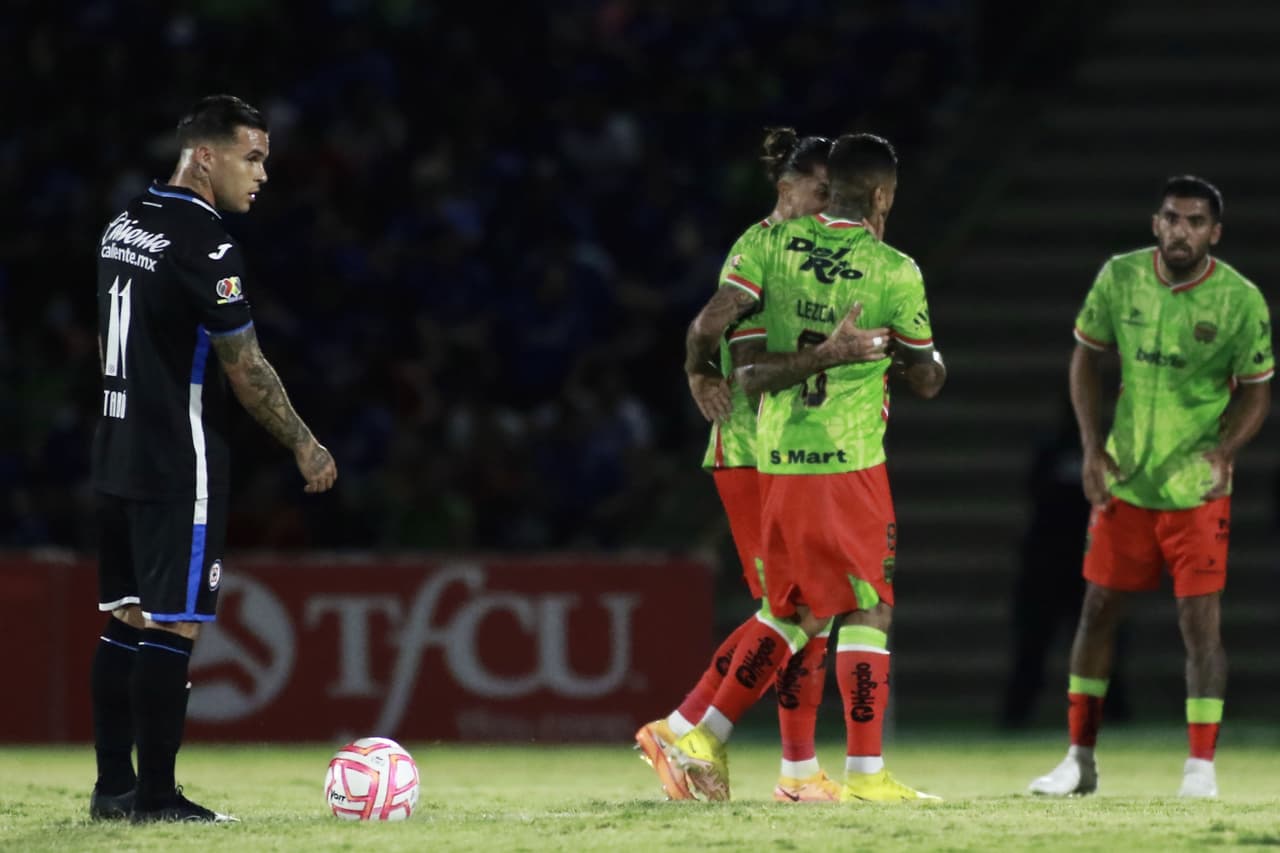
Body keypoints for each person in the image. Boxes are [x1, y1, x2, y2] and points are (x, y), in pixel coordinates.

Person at [665, 132, 946, 802]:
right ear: (880, 195)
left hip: (780, 455)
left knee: (797, 607)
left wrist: (700, 371)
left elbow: (731, 345)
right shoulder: (893, 268)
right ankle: (724, 733)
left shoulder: (770, 248)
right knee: (866, 605)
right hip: (847, 457)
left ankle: (718, 736)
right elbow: (927, 374)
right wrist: (915, 363)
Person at [90, 95, 337, 823]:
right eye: (251, 157)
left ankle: (114, 790)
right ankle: (158, 800)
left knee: (124, 617)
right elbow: (246, 366)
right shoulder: (208, 241)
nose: (262, 174)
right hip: (179, 456)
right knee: (175, 623)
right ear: (205, 156)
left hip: (114, 448)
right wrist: (303, 441)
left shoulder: (125, 221)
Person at [1029, 175, 1272, 799]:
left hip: (1196, 487)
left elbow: (1257, 390)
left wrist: (1225, 450)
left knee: (1200, 626)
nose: (1180, 231)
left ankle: (1200, 769)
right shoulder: (1120, 277)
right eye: (1171, 218)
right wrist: (1090, 449)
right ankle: (1078, 760)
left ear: (1214, 233)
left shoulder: (1241, 301)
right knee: (1097, 612)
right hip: (1125, 478)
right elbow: (1086, 355)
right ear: (1155, 223)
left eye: (1195, 221)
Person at [636, 128, 844, 803]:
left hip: (788, 452)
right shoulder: (760, 247)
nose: (827, 204)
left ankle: (790, 769)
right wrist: (700, 372)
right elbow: (706, 324)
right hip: (755, 452)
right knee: (798, 606)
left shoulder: (802, 253)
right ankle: (690, 727)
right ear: (787, 189)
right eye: (819, 190)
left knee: (802, 607)